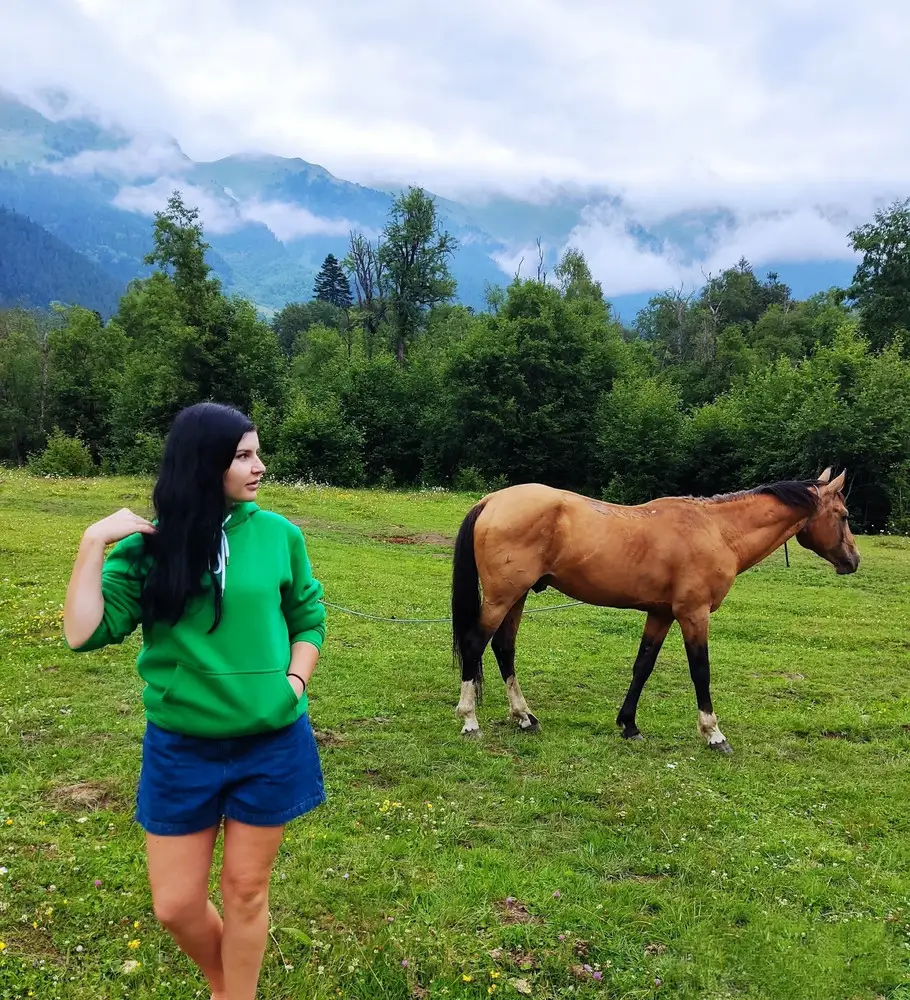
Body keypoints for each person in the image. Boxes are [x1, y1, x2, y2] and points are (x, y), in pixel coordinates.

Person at [63, 402, 327, 1000]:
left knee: (245, 890)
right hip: (181, 747)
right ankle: (224, 984)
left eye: (257, 452)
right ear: (204, 463)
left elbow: (308, 617)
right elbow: (83, 634)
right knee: (176, 905)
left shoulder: (281, 535)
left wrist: (294, 683)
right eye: (243, 456)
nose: (260, 466)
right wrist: (93, 542)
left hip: (271, 741)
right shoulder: (149, 548)